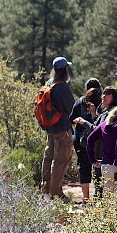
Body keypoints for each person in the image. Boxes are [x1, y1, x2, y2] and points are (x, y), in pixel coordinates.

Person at [75, 86, 117, 197]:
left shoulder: (109, 114)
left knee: (99, 188)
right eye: (104, 93)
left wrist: (83, 122)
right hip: (112, 156)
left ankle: (98, 211)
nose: (103, 96)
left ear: (114, 98)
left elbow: (96, 130)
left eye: (107, 94)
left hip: (102, 156)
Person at [41, 56, 75, 202]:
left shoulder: (49, 83)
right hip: (63, 130)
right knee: (61, 160)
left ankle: (45, 187)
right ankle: (56, 193)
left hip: (50, 128)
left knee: (49, 157)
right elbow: (72, 110)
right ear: (66, 70)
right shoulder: (63, 88)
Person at [69, 78, 102, 200]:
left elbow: (71, 119)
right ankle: (98, 196)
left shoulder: (80, 102)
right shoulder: (102, 103)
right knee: (99, 166)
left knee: (83, 167)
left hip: (81, 140)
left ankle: (86, 198)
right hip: (98, 140)